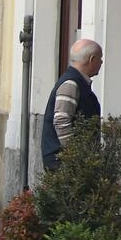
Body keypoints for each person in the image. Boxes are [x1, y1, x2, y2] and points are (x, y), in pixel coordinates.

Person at [42, 39, 103, 171]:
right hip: (64, 162)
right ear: (92, 59)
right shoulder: (71, 83)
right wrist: (75, 156)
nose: (102, 62)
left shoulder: (76, 81)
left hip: (66, 160)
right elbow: (61, 121)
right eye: (100, 58)